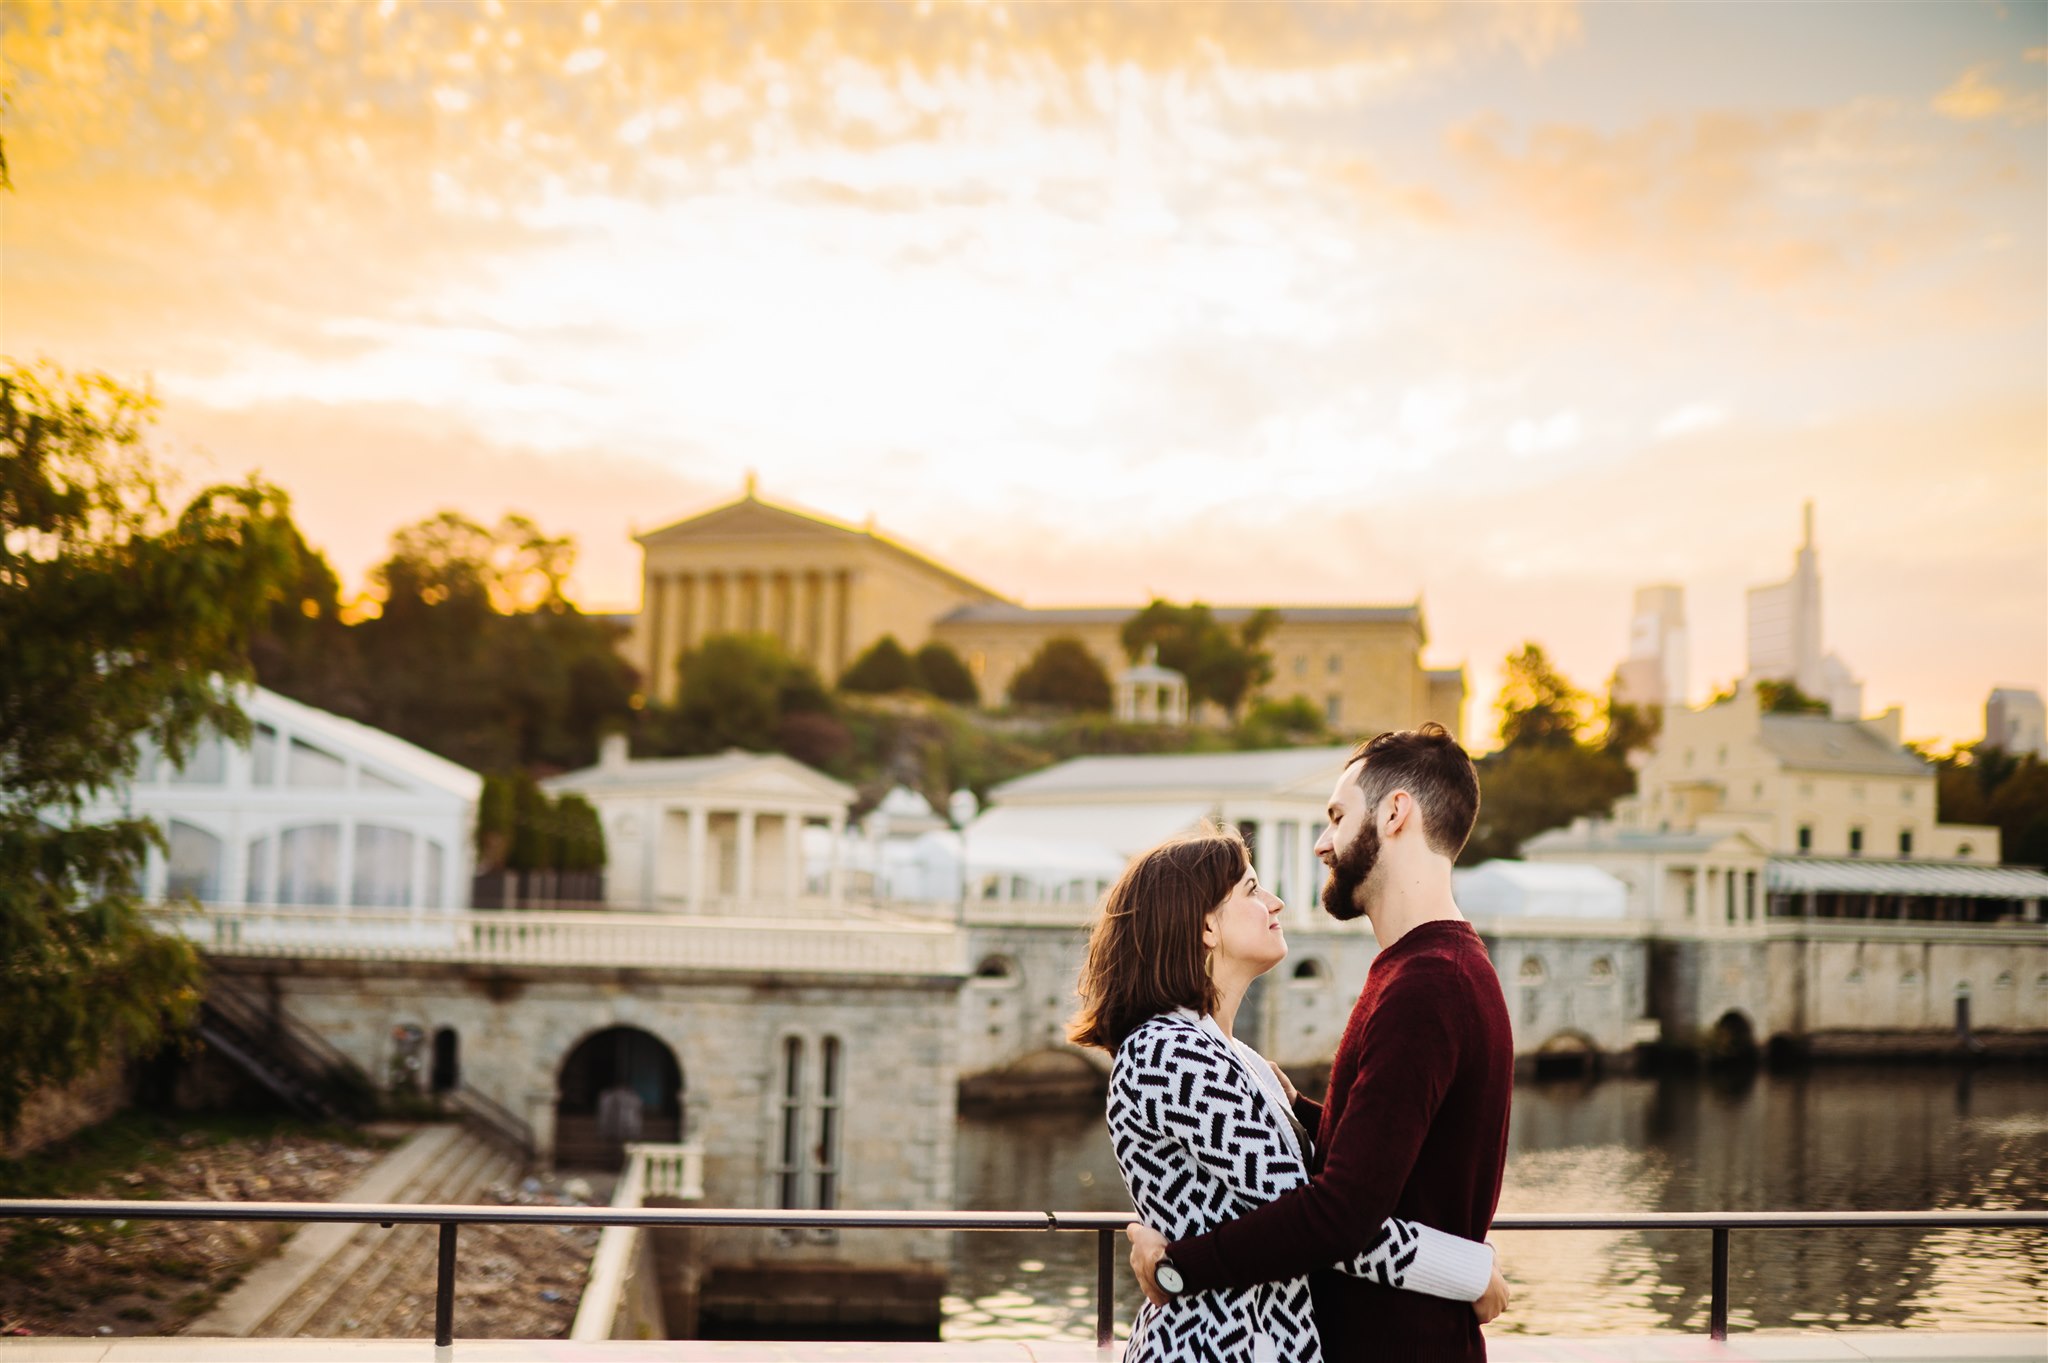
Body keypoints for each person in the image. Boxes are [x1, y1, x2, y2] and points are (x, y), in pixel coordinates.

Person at [1126, 724, 1515, 1362]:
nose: (1322, 843)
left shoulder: (1427, 986)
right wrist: (1298, 1110)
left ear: (1395, 813)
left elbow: (1342, 1213)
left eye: (1337, 816)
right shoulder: (1431, 969)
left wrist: (1177, 1267)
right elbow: (1393, 1152)